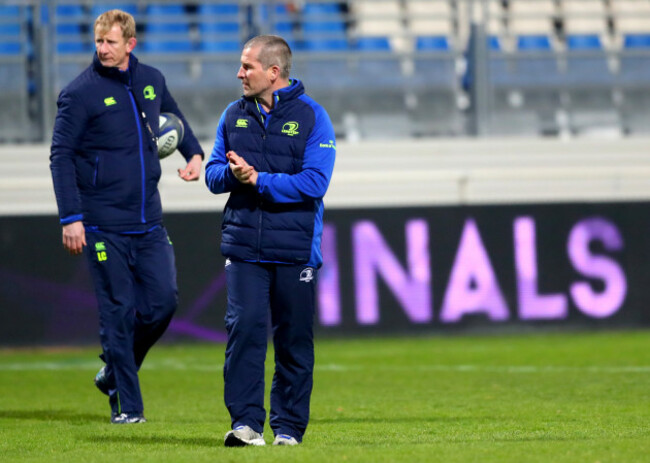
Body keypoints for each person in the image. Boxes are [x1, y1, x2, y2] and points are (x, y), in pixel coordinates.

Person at [49, 9, 204, 424]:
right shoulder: (79, 93)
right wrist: (71, 217)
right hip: (101, 223)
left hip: (149, 220)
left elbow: (174, 118)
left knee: (163, 303)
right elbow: (60, 156)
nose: (102, 49)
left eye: (110, 42)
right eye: (98, 42)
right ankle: (128, 408)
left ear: (130, 44)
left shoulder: (151, 80)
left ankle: (115, 369)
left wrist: (196, 154)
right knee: (118, 311)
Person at [204, 35, 336, 446]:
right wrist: (234, 175)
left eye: (247, 66)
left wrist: (259, 179)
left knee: (293, 339)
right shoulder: (232, 115)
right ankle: (245, 425)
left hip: (295, 249)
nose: (239, 73)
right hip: (244, 248)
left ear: (273, 72)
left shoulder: (314, 118)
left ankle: (288, 429)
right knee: (244, 331)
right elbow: (212, 175)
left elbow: (315, 182)